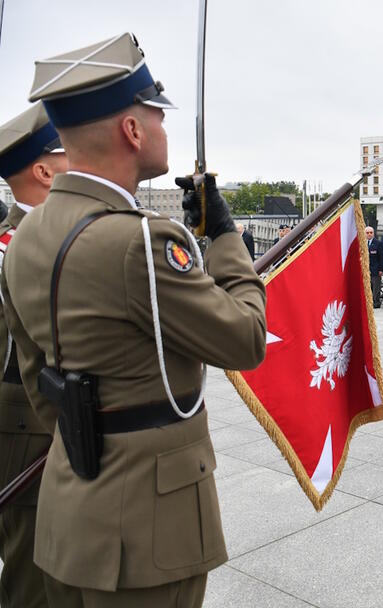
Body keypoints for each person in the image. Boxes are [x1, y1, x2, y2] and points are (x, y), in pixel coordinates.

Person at [1, 33, 266, 605]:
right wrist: (223, 235)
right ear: (131, 130)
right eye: (157, 115)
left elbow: (36, 377)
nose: (163, 127)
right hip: (145, 534)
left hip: (69, 511)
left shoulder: (26, 235)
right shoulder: (140, 240)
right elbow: (245, 338)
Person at [0, 103, 67, 608]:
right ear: (43, 170)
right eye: (66, 151)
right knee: (32, 579)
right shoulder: (22, 245)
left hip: (38, 428)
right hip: (30, 434)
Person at [364, 225, 383, 308]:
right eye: (367, 233)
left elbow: (382, 257)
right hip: (365, 269)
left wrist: (381, 269)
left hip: (376, 269)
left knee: (376, 287)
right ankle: (368, 302)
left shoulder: (378, 243)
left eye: (371, 232)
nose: (369, 234)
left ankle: (376, 302)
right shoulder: (362, 242)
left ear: (373, 233)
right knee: (367, 287)